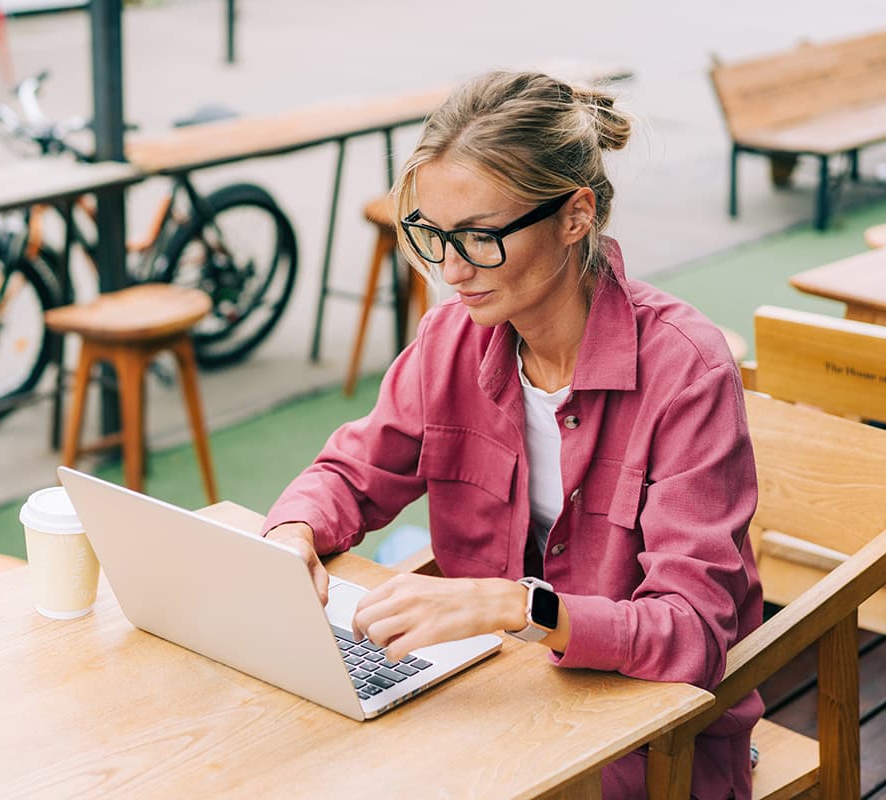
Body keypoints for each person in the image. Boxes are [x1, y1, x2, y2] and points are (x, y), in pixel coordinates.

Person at [260, 71, 762, 800]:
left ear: (575, 216)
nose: (451, 270)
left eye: (482, 237)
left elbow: (690, 634)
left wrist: (516, 606)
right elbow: (351, 472)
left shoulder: (686, 370)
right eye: (433, 235)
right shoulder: (450, 341)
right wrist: (292, 536)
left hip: (647, 746)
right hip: (487, 713)